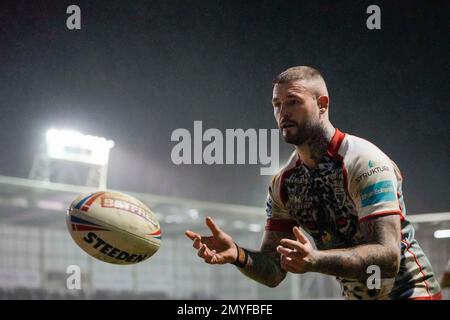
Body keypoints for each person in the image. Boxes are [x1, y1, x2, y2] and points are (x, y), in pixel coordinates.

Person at [185, 66, 442, 300]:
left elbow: (387, 259)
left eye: (293, 102)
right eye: (276, 104)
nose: (282, 112)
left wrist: (315, 260)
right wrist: (239, 255)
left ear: (322, 104)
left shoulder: (365, 162)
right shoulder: (284, 183)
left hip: (412, 294)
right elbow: (274, 271)